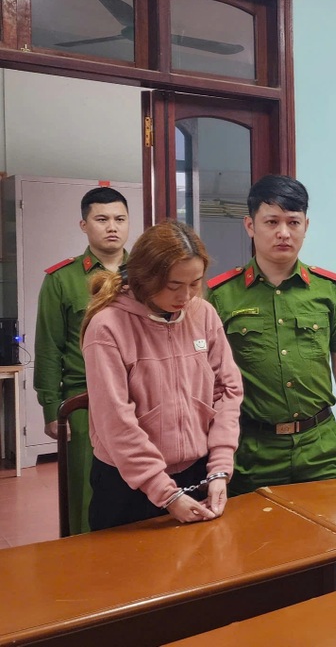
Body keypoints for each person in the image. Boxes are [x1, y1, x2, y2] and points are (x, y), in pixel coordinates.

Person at [207, 174, 336, 494]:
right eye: (272, 222)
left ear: (305, 226)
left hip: (319, 448)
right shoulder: (221, 295)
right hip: (252, 452)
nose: (284, 232)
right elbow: (209, 380)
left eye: (293, 222)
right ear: (250, 226)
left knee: (332, 526)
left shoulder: (328, 290)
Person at [81, 220, 242, 530]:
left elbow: (227, 390)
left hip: (197, 472)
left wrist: (220, 468)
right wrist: (165, 493)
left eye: (195, 283)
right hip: (129, 482)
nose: (186, 295)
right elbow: (115, 419)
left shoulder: (203, 314)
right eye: (173, 285)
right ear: (145, 277)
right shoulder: (107, 326)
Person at [34, 186, 130, 534]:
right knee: (85, 494)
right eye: (101, 219)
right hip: (84, 404)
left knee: (139, 490)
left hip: (140, 399)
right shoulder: (62, 279)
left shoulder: (148, 275)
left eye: (120, 219)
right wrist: (51, 408)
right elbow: (49, 347)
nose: (112, 227)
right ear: (83, 225)